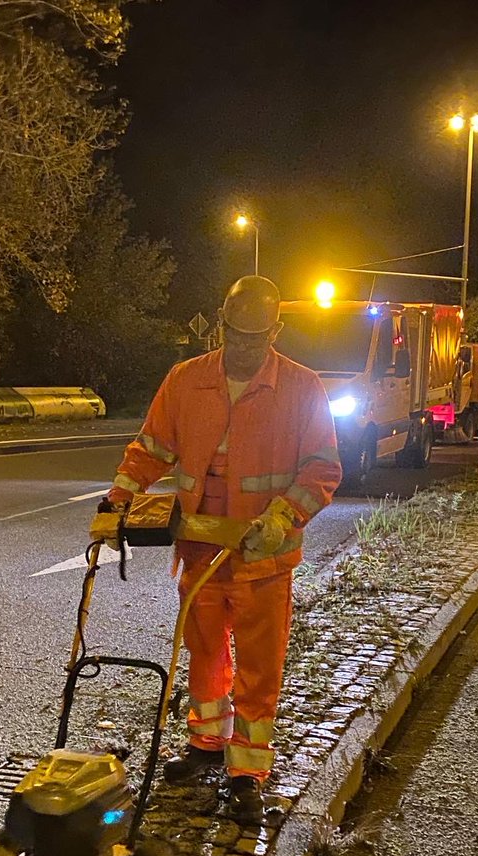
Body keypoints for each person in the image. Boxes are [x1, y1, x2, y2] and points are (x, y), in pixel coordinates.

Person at [105, 276, 341, 822]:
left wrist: (283, 516)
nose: (241, 346)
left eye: (254, 338)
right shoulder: (187, 381)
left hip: (262, 555)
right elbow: (153, 446)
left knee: (260, 664)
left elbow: (322, 467)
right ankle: (206, 743)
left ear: (275, 332)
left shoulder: (302, 388)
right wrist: (121, 493)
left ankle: (247, 769)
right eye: (233, 334)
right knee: (205, 649)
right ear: (220, 322)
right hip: (199, 546)